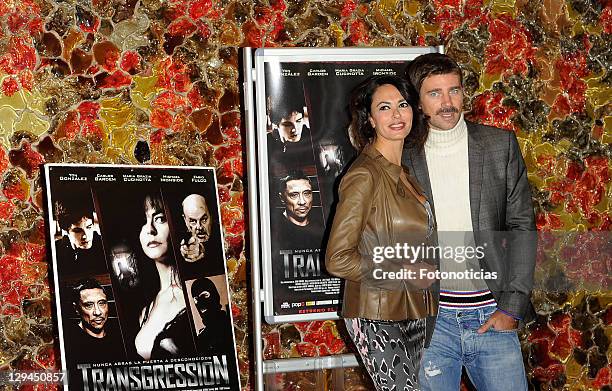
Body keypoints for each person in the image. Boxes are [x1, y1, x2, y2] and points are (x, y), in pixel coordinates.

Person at [403, 53, 536, 390]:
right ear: (418, 102)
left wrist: (512, 307)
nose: (447, 103)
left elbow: (522, 227)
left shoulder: (498, 145)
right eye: (434, 93)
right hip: (431, 323)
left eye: (454, 91)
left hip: (492, 314)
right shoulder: (401, 155)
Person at [325, 75, 437, 391]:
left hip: (413, 307)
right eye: (384, 107)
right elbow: (338, 259)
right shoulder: (364, 175)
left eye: (402, 105)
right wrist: (404, 272)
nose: (396, 114)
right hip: (375, 311)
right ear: (370, 119)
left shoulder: (404, 173)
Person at [134, 193, 194, 360]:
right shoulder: (146, 310)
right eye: (143, 221)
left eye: (159, 218)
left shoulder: (195, 295)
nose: (150, 230)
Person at [64, 278, 124, 363]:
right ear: (76, 308)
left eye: (102, 303)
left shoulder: (120, 336)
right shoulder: (69, 343)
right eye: (89, 305)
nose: (98, 312)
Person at [54, 196, 106, 277]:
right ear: (67, 232)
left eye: (89, 227)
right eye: (77, 230)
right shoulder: (58, 253)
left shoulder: (104, 244)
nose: (85, 235)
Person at [178, 193, 225, 278]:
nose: (199, 227)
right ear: (185, 220)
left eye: (204, 219)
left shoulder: (224, 233)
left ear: (211, 215)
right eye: (193, 221)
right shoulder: (181, 242)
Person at [275, 171, 324, 247]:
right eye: (294, 195)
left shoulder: (322, 227)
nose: (302, 202)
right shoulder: (274, 229)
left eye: (306, 193)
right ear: (282, 198)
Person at [190, 277, 234, 355]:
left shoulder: (231, 326)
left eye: (204, 296)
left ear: (215, 296)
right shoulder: (201, 337)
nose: (199, 303)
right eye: (195, 300)